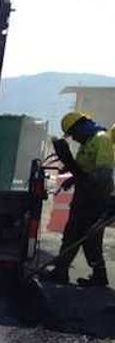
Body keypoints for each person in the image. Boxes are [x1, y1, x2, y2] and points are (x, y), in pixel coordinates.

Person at [45, 112, 115, 287]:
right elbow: (83, 171)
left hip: (95, 198)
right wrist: (72, 177)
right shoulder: (87, 144)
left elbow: (102, 177)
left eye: (73, 133)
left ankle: (99, 275)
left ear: (81, 126)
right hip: (83, 197)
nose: (74, 139)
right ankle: (61, 271)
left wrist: (70, 162)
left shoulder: (101, 140)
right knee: (72, 234)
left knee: (90, 238)